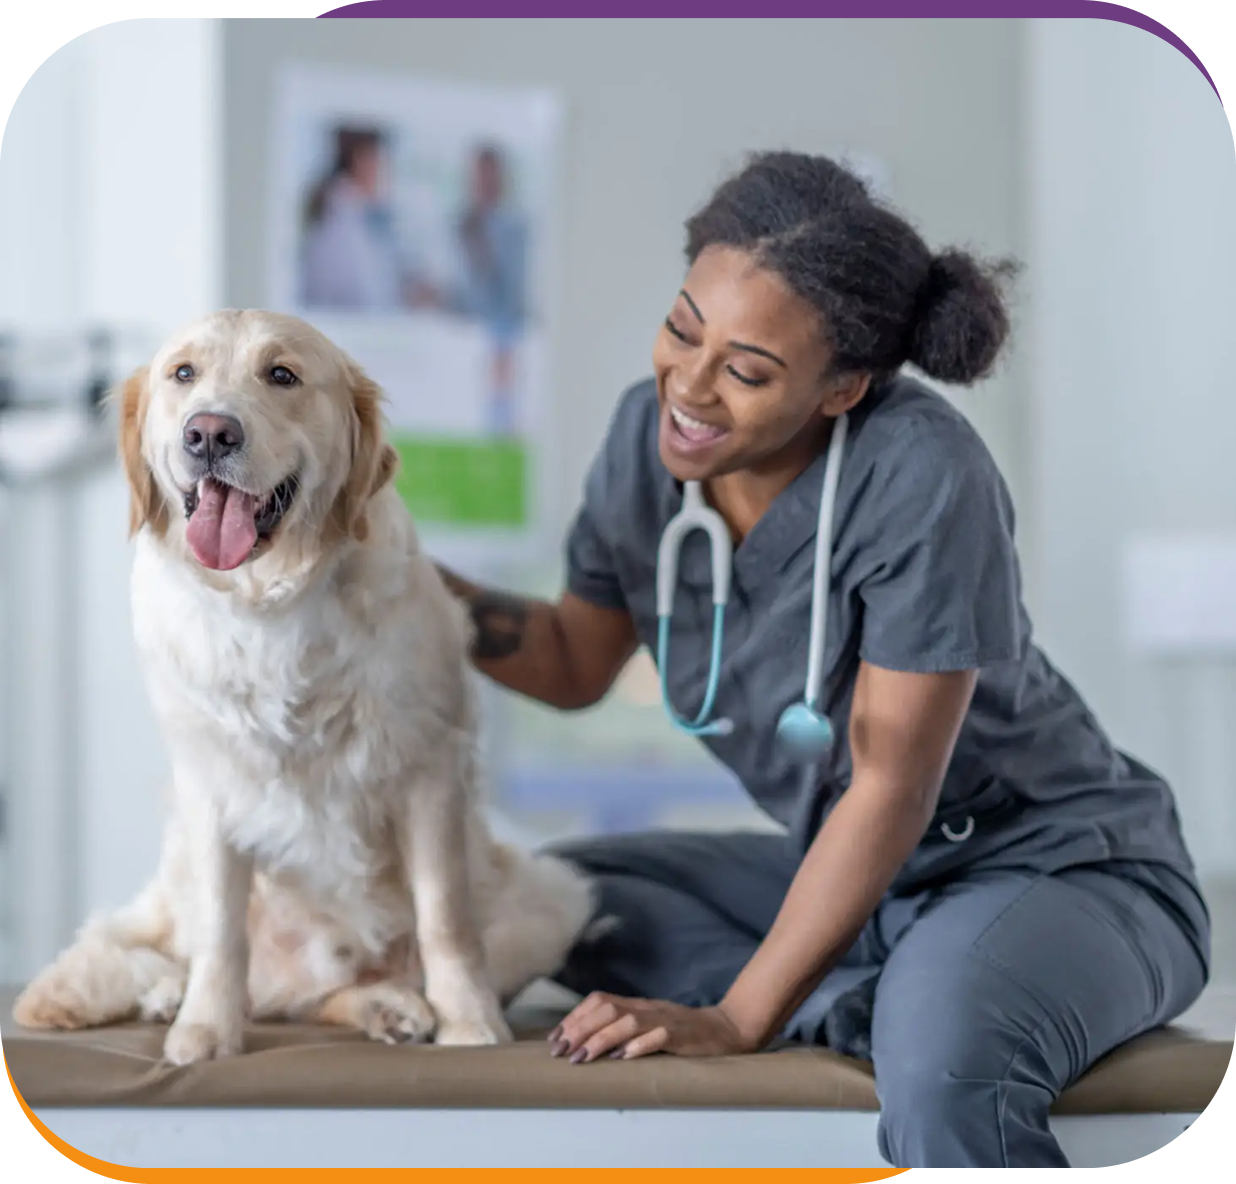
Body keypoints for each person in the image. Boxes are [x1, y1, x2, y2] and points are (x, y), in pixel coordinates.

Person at [436, 151, 1210, 1170]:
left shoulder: (924, 474)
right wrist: (389, 575)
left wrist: (742, 1014)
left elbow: (889, 783)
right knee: (553, 895)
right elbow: (574, 660)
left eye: (747, 371)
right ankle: (874, 996)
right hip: (870, 892)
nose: (691, 387)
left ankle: (916, 1004)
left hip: (1056, 868)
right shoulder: (646, 439)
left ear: (842, 385)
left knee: (944, 1080)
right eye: (681, 328)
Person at [452, 143, 528, 437]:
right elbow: (459, 286)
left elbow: (509, 289)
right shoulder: (462, 223)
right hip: (466, 327)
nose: (481, 183)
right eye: (476, 176)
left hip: (503, 326)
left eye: (487, 175)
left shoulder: (513, 227)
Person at [299, 125, 420, 311]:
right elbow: (367, 301)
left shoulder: (362, 218)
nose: (388, 175)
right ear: (362, 161)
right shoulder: (337, 229)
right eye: (383, 163)